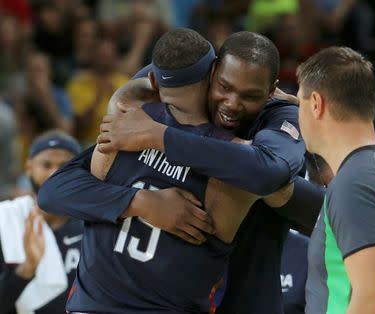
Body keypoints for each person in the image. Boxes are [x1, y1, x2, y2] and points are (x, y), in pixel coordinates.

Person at [39, 31, 324, 313]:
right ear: (211, 72)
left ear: (271, 90)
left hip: (246, 290)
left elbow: (271, 176)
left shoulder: (279, 117)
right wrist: (141, 203)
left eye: (250, 95)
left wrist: (159, 137)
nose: (232, 103)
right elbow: (56, 190)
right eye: (224, 87)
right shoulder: (144, 118)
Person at [296, 46, 375, 313]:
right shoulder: (373, 172)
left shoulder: (355, 185)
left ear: (316, 104)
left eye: (299, 103)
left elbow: (373, 300)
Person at [0, 130, 83, 314]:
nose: (55, 173)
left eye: (64, 165)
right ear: (29, 168)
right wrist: (26, 269)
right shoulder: (6, 220)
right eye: (46, 165)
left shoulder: (92, 225)